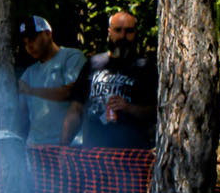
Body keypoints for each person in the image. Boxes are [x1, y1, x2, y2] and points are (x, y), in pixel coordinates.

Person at [76, 11, 157, 148]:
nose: (123, 36)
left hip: (131, 151)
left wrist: (128, 107)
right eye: (118, 30)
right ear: (109, 32)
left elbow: (156, 111)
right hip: (94, 150)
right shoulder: (93, 63)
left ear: (135, 33)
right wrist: (63, 145)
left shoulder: (146, 67)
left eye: (129, 31)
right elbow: (76, 107)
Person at [15, 16, 84, 146]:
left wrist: (31, 91)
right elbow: (19, 111)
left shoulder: (71, 56)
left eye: (32, 39)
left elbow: (71, 92)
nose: (29, 46)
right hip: (36, 147)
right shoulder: (29, 73)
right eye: (25, 43)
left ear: (48, 33)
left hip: (69, 145)